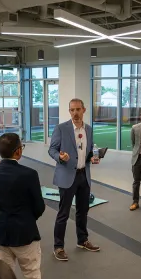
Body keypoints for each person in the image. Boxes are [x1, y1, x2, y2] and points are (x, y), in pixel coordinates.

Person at [0, 133, 60, 279]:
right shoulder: (28, 174)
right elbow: (39, 206)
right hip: (23, 233)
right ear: (18, 151)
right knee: (31, 271)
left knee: (5, 271)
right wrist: (26, 218)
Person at [48, 98, 101, 262]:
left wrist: (93, 157)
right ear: (69, 111)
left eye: (78, 109)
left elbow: (89, 150)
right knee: (63, 213)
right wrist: (60, 157)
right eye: (72, 110)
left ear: (84, 110)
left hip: (84, 175)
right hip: (67, 175)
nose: (75, 113)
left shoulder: (89, 129)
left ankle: (82, 240)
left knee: (83, 211)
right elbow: (52, 150)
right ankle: (58, 247)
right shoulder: (61, 128)